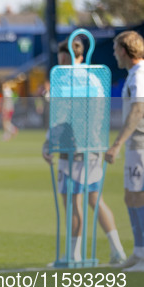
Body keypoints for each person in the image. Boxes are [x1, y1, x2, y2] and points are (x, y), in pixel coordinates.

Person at [43, 39, 127, 265]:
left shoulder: (64, 79)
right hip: (93, 145)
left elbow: (60, 115)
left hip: (72, 148)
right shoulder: (94, 78)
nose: (62, 61)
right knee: (94, 199)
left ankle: (74, 255)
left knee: (73, 202)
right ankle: (116, 249)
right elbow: (100, 112)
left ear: (74, 57)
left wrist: (49, 142)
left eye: (65, 57)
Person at [105, 30, 144, 272]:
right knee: (130, 196)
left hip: (141, 143)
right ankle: (138, 252)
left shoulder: (140, 76)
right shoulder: (133, 75)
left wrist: (117, 143)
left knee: (138, 196)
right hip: (135, 145)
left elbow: (139, 110)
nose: (113, 54)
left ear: (123, 50)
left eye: (115, 49)